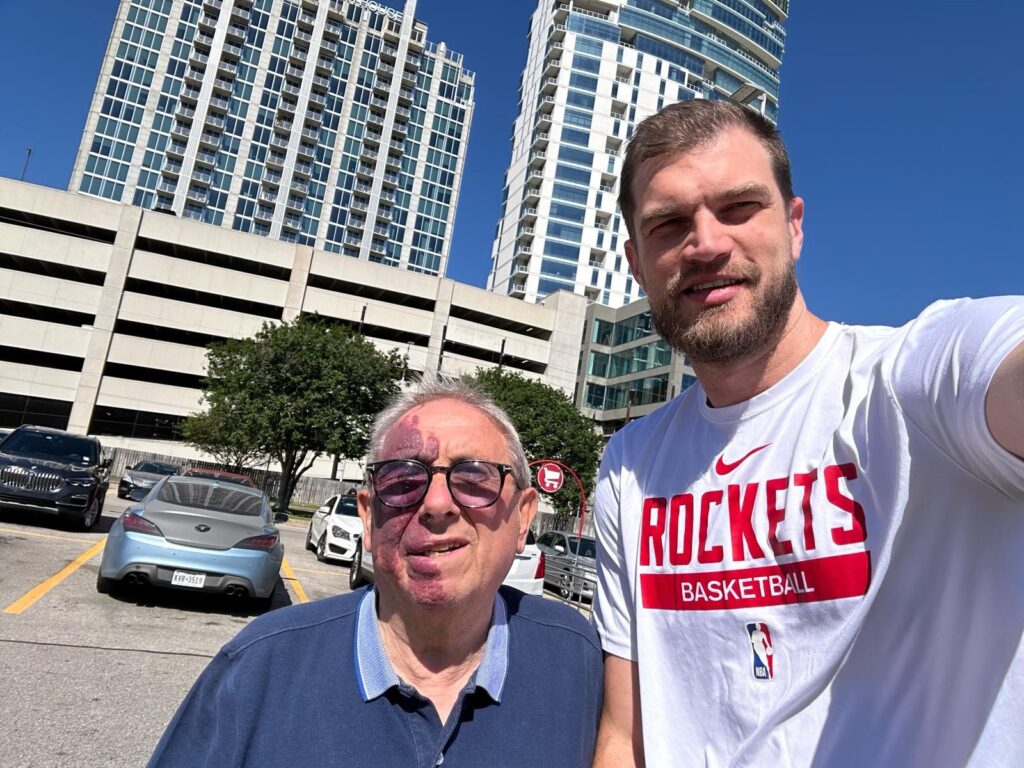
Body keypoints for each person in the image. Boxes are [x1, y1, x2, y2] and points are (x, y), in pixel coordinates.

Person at [591, 99, 1024, 767]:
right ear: (637, 262)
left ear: (794, 227)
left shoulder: (909, 384)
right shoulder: (631, 464)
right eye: (669, 225)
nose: (706, 244)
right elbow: (626, 735)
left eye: (739, 207)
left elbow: (996, 364)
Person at [149, 377, 603, 767]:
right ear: (367, 517)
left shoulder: (575, 657)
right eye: (403, 480)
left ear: (523, 518)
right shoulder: (258, 666)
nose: (437, 504)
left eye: (473, 478)